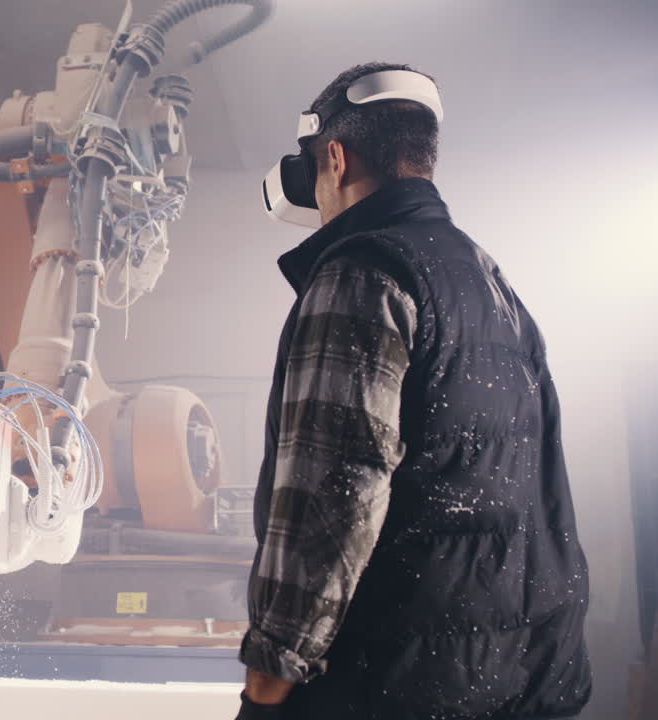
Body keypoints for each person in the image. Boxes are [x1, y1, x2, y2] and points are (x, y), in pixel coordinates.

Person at [237, 62, 593, 719]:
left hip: (382, 687)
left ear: (334, 158)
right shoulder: (491, 284)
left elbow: (334, 491)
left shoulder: (362, 272)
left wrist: (269, 680)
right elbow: (544, 505)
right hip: (507, 687)